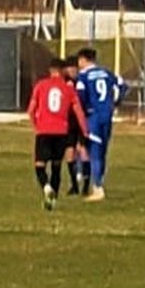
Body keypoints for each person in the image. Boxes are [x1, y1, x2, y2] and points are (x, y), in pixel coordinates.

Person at [27, 58, 88, 211]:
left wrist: (36, 124)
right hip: (61, 131)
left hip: (44, 131)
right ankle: (53, 202)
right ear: (62, 71)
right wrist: (85, 130)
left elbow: (31, 110)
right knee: (56, 166)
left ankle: (46, 188)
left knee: (39, 165)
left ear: (50, 70)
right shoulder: (68, 89)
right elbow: (78, 111)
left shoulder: (40, 86)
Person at [75, 47, 126, 201]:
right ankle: (99, 182)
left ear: (83, 60)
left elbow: (80, 97)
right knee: (103, 150)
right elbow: (122, 86)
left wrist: (83, 112)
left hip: (94, 116)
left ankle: (97, 188)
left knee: (94, 152)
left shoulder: (83, 76)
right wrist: (114, 103)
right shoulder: (107, 73)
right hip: (107, 115)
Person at [62, 57, 88, 195]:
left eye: (74, 68)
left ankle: (85, 185)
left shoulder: (82, 81)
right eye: (69, 68)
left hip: (82, 119)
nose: (72, 71)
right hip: (69, 122)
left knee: (83, 149)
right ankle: (74, 185)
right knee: (69, 153)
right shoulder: (64, 82)